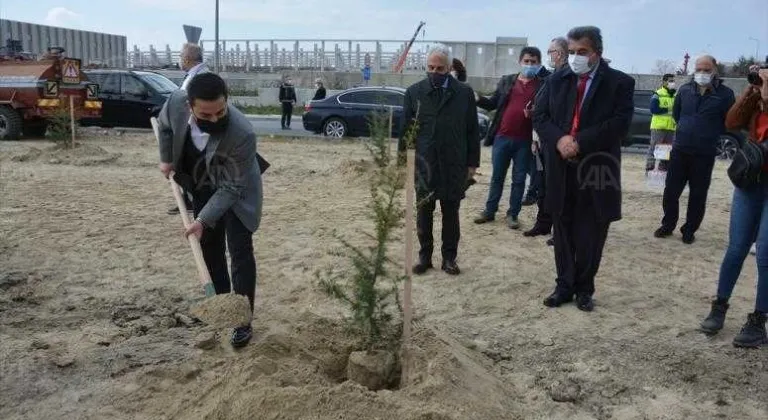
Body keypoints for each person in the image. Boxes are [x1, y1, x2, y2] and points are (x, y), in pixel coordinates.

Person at [156, 72, 264, 347]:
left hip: (237, 189)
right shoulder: (176, 102)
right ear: (190, 106)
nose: (215, 119)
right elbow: (165, 128)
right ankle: (221, 305)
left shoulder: (242, 133)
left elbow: (231, 189)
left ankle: (241, 319)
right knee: (210, 247)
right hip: (202, 182)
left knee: (239, 251)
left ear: (227, 101)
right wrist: (166, 160)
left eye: (221, 111)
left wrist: (202, 219)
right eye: (206, 114)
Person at [533, 26, 635, 311]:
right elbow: (540, 116)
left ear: (597, 53)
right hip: (561, 165)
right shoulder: (556, 80)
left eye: (582, 52)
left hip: (597, 167)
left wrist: (580, 141)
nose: (576, 57)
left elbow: (619, 124)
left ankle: (585, 288)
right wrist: (560, 139)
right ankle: (564, 286)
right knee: (562, 228)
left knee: (592, 230)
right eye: (572, 52)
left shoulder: (619, 83)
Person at [699, 66, 768, 348]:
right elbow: (732, 122)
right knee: (736, 248)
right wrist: (752, 92)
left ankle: (758, 321)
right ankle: (720, 305)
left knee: (764, 254)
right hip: (750, 182)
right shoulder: (756, 98)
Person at [398, 44, 480, 276]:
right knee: (424, 212)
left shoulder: (463, 93)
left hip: (454, 163)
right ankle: (425, 257)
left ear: (449, 68)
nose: (435, 72)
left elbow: (472, 131)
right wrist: (403, 162)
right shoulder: (414, 93)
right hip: (424, 164)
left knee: (451, 212)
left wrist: (472, 164)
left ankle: (449, 258)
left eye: (440, 68)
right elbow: (406, 131)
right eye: (430, 67)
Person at [654, 56, 735, 244]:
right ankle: (668, 225)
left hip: (704, 153)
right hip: (680, 150)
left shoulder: (725, 95)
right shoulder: (684, 90)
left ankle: (689, 230)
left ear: (715, 70)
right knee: (671, 191)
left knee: (698, 195)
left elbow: (728, 122)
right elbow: (677, 114)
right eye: (699, 69)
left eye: (706, 70)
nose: (702, 73)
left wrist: (709, 134)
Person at [474, 47, 550, 229]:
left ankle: (512, 215)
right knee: (497, 177)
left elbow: (546, 111)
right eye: (526, 61)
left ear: (539, 64)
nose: (529, 65)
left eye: (534, 62)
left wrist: (534, 114)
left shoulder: (543, 84)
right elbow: (493, 103)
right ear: (520, 62)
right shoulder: (508, 81)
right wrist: (477, 98)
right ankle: (489, 211)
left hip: (525, 141)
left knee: (519, 180)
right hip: (502, 137)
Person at [524, 37, 569, 245]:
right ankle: (543, 224)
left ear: (559, 53)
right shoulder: (552, 78)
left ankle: (560, 231)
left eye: (551, 51)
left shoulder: (567, 78)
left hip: (557, 143)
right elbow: (542, 109)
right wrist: (535, 137)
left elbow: (559, 113)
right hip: (542, 142)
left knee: (558, 188)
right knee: (542, 185)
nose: (550, 55)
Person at [168, 43, 210, 215]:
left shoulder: (199, 76)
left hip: (198, 134)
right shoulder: (193, 75)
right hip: (193, 132)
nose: (179, 60)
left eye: (180, 56)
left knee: (194, 171)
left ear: (187, 58)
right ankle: (189, 200)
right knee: (188, 169)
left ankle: (196, 203)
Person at [646, 73, 677, 172]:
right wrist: (668, 109)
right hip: (658, 127)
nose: (672, 83)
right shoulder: (658, 94)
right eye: (670, 81)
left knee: (667, 149)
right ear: (664, 82)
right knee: (654, 148)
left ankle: (663, 169)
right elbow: (654, 109)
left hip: (671, 127)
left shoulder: (675, 95)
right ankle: (650, 168)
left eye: (673, 81)